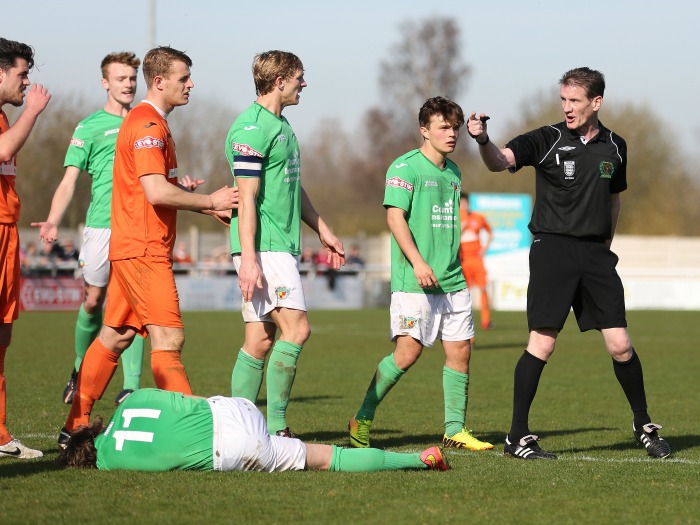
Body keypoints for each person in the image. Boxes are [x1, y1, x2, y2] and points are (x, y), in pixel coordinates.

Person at [467, 67, 671, 460]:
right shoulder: (547, 138)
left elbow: (614, 198)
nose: (567, 108)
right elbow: (500, 161)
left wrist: (606, 245)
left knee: (620, 344)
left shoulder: (616, 147)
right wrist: (483, 140)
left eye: (574, 100)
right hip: (553, 250)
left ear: (596, 102)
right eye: (563, 100)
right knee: (542, 344)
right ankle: (517, 437)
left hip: (596, 255)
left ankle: (643, 426)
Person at [58, 46, 238, 448]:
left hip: (134, 246)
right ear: (160, 81)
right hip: (142, 249)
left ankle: (75, 425)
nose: (191, 84)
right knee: (169, 340)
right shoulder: (147, 126)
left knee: (116, 336)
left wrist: (203, 208)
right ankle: (197, 438)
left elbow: (154, 192)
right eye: (184, 77)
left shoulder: (150, 122)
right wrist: (212, 201)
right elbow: (156, 192)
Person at [348, 97, 493, 452]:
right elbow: (395, 218)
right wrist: (417, 261)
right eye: (444, 127)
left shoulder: (454, 172)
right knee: (407, 354)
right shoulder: (405, 168)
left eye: (455, 127)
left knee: (460, 352)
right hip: (415, 280)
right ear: (424, 131)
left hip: (453, 279)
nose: (452, 134)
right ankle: (361, 418)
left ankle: (455, 429)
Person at [225, 50, 345, 437]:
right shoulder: (251, 129)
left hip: (276, 246)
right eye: (299, 77)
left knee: (260, 340)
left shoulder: (282, 125)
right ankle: (276, 429)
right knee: (297, 331)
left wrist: (321, 227)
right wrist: (248, 258)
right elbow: (246, 198)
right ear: (279, 81)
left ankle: (237, 426)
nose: (304, 83)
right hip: (266, 248)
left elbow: (292, 185)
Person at [32, 52, 146, 407]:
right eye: (121, 78)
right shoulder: (89, 127)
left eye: (132, 78)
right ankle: (80, 369)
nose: (128, 84)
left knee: (133, 307)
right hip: (101, 228)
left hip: (138, 229)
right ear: (105, 83)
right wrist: (52, 219)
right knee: (94, 301)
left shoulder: (147, 122)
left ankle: (131, 387)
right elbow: (68, 182)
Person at [58, 388, 448, 472]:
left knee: (325, 458)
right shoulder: (133, 401)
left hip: (233, 452)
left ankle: (419, 460)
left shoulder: (109, 464)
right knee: (207, 402)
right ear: (93, 430)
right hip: (232, 411)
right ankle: (277, 435)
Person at [0, 38, 51, 459]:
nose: (27, 83)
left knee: (2, 334)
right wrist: (32, 111)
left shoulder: (1, 117)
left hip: (6, 232)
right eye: (21, 74)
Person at [459, 192, 493, 330]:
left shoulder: (478, 217)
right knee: (463, 294)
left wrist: (485, 247)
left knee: (483, 288)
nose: (464, 206)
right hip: (462, 260)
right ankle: (464, 322)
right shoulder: (453, 218)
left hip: (477, 259)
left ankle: (486, 321)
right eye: (461, 203)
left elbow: (490, 232)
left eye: (465, 203)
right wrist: (462, 225)